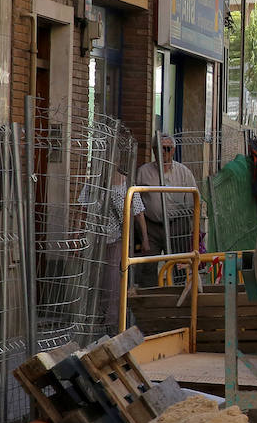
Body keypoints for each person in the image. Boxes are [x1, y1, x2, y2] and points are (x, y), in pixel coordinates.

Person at [80, 161, 147, 330]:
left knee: (112, 279)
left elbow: (139, 214)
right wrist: (77, 234)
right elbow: (82, 210)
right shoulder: (93, 183)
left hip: (116, 238)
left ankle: (111, 319)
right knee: (94, 278)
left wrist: (145, 238)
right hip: (94, 238)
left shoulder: (128, 185)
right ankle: (94, 315)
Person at [136, 134, 199, 282]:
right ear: (153, 150)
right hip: (152, 226)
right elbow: (136, 203)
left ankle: (178, 296)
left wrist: (194, 230)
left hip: (177, 225)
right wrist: (144, 234)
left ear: (173, 150)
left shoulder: (184, 173)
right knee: (148, 267)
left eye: (167, 148)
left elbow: (194, 203)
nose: (163, 152)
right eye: (159, 148)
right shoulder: (144, 172)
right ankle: (149, 299)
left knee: (179, 266)